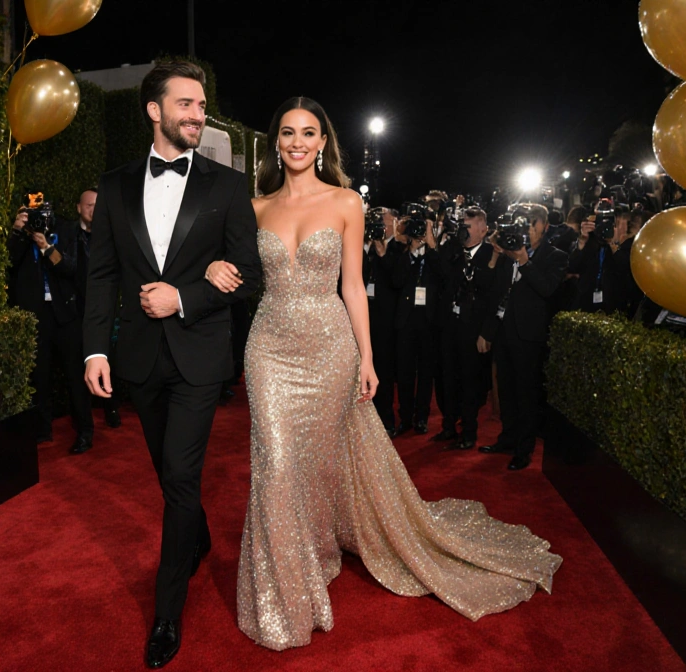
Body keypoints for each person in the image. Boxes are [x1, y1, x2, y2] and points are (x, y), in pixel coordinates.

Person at [204, 97, 561, 653]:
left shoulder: (346, 202)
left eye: (309, 133)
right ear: (275, 142)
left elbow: (353, 286)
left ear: (323, 143)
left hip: (330, 347)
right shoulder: (253, 207)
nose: (298, 142)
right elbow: (230, 267)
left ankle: (318, 547)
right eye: (288, 133)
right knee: (276, 465)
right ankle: (284, 593)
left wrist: (367, 358)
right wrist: (210, 265)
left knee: (316, 463)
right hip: (269, 348)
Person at [81, 61, 262, 669]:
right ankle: (198, 534)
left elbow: (249, 275)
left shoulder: (226, 186)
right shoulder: (114, 185)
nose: (197, 114)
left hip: (199, 357)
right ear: (154, 110)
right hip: (138, 357)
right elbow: (102, 274)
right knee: (167, 470)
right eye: (186, 103)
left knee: (180, 477)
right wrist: (95, 349)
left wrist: (183, 296)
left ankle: (166, 612)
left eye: (201, 105)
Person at [478, 203, 568, 471]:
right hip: (504, 331)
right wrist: (488, 331)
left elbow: (547, 289)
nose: (527, 229)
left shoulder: (555, 256)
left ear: (544, 226)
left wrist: (524, 261)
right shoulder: (507, 251)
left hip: (529, 335)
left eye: (531, 224)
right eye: (523, 224)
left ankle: (524, 449)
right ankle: (507, 438)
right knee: (505, 390)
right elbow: (496, 293)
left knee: (526, 393)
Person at [7, 190, 90, 454]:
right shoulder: (20, 234)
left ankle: (85, 430)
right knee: (39, 376)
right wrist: (17, 230)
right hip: (36, 314)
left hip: (65, 314)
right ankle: (42, 430)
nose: (39, 218)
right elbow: (9, 262)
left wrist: (46, 247)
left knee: (75, 375)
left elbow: (69, 267)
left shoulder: (64, 230)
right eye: (33, 212)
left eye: (42, 212)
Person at [437, 206, 501, 450]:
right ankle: (448, 426)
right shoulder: (453, 250)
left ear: (483, 230)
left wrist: (486, 332)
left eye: (469, 226)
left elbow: (492, 296)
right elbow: (442, 274)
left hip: (473, 327)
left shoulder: (492, 254)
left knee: (470, 380)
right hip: (450, 324)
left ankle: (469, 432)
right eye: (462, 225)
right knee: (447, 377)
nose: (463, 230)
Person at [75, 187, 122, 432]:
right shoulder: (69, 235)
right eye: (89, 205)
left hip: (109, 312)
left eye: (97, 205)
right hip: (76, 311)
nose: (93, 210)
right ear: (79, 208)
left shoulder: (114, 234)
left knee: (109, 359)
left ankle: (112, 408)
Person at [392, 215, 442, 435]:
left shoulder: (435, 253)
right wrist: (411, 252)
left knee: (425, 372)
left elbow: (444, 275)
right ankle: (405, 417)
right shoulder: (402, 253)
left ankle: (422, 417)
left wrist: (430, 246)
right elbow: (396, 280)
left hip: (429, 320)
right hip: (406, 319)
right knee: (404, 372)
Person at [364, 208, 404, 435]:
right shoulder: (364, 247)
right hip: (364, 316)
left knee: (384, 372)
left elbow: (398, 281)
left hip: (386, 320)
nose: (381, 227)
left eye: (385, 223)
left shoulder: (399, 248)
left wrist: (383, 255)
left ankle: (385, 420)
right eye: (378, 223)